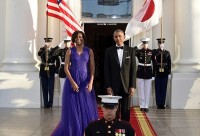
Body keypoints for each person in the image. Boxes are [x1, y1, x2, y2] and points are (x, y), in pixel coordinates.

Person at [51, 31, 98, 136]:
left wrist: (91, 83)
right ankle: (74, 132)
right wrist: (72, 82)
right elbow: (66, 68)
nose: (78, 39)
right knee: (74, 109)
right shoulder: (70, 51)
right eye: (76, 37)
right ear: (73, 39)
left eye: (80, 37)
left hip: (85, 82)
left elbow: (92, 68)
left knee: (86, 108)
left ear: (83, 38)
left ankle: (86, 131)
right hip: (72, 82)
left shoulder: (89, 51)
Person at [104, 29, 136, 122]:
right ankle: (115, 129)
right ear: (113, 38)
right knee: (114, 109)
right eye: (116, 36)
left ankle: (125, 129)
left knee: (126, 110)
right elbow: (106, 70)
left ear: (124, 37)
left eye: (120, 36)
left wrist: (132, 86)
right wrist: (108, 86)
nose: (118, 38)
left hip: (126, 86)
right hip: (114, 86)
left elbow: (133, 69)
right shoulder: (109, 51)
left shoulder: (131, 50)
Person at [38, 37, 60, 109]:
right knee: (44, 88)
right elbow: (39, 54)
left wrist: (56, 71)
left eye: (49, 42)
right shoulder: (42, 49)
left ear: (51, 43)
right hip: (43, 71)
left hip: (51, 71)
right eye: (46, 42)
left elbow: (58, 61)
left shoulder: (54, 50)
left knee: (51, 88)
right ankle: (45, 103)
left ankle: (50, 104)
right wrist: (45, 48)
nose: (47, 43)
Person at [152, 38, 171, 109]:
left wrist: (169, 72)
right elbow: (154, 61)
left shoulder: (167, 52)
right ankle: (158, 104)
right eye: (160, 43)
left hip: (165, 72)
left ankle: (162, 103)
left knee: (164, 88)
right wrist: (153, 74)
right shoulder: (155, 52)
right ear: (158, 44)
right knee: (158, 88)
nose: (161, 45)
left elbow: (169, 63)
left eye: (162, 43)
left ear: (164, 44)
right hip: (157, 72)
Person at [135, 37, 153, 112]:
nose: (145, 45)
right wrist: (137, 46)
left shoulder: (151, 52)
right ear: (142, 44)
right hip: (140, 72)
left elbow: (154, 63)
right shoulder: (139, 51)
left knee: (147, 90)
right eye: (144, 43)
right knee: (141, 89)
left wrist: (154, 74)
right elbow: (132, 51)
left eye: (146, 43)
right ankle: (142, 105)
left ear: (148, 44)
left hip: (148, 72)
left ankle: (146, 105)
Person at [57, 37, 71, 106]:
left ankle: (70, 103)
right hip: (62, 70)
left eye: (68, 42)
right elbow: (54, 53)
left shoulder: (73, 50)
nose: (67, 43)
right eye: (65, 42)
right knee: (63, 89)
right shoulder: (61, 51)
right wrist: (60, 44)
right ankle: (64, 104)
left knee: (71, 88)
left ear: (70, 42)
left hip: (71, 70)